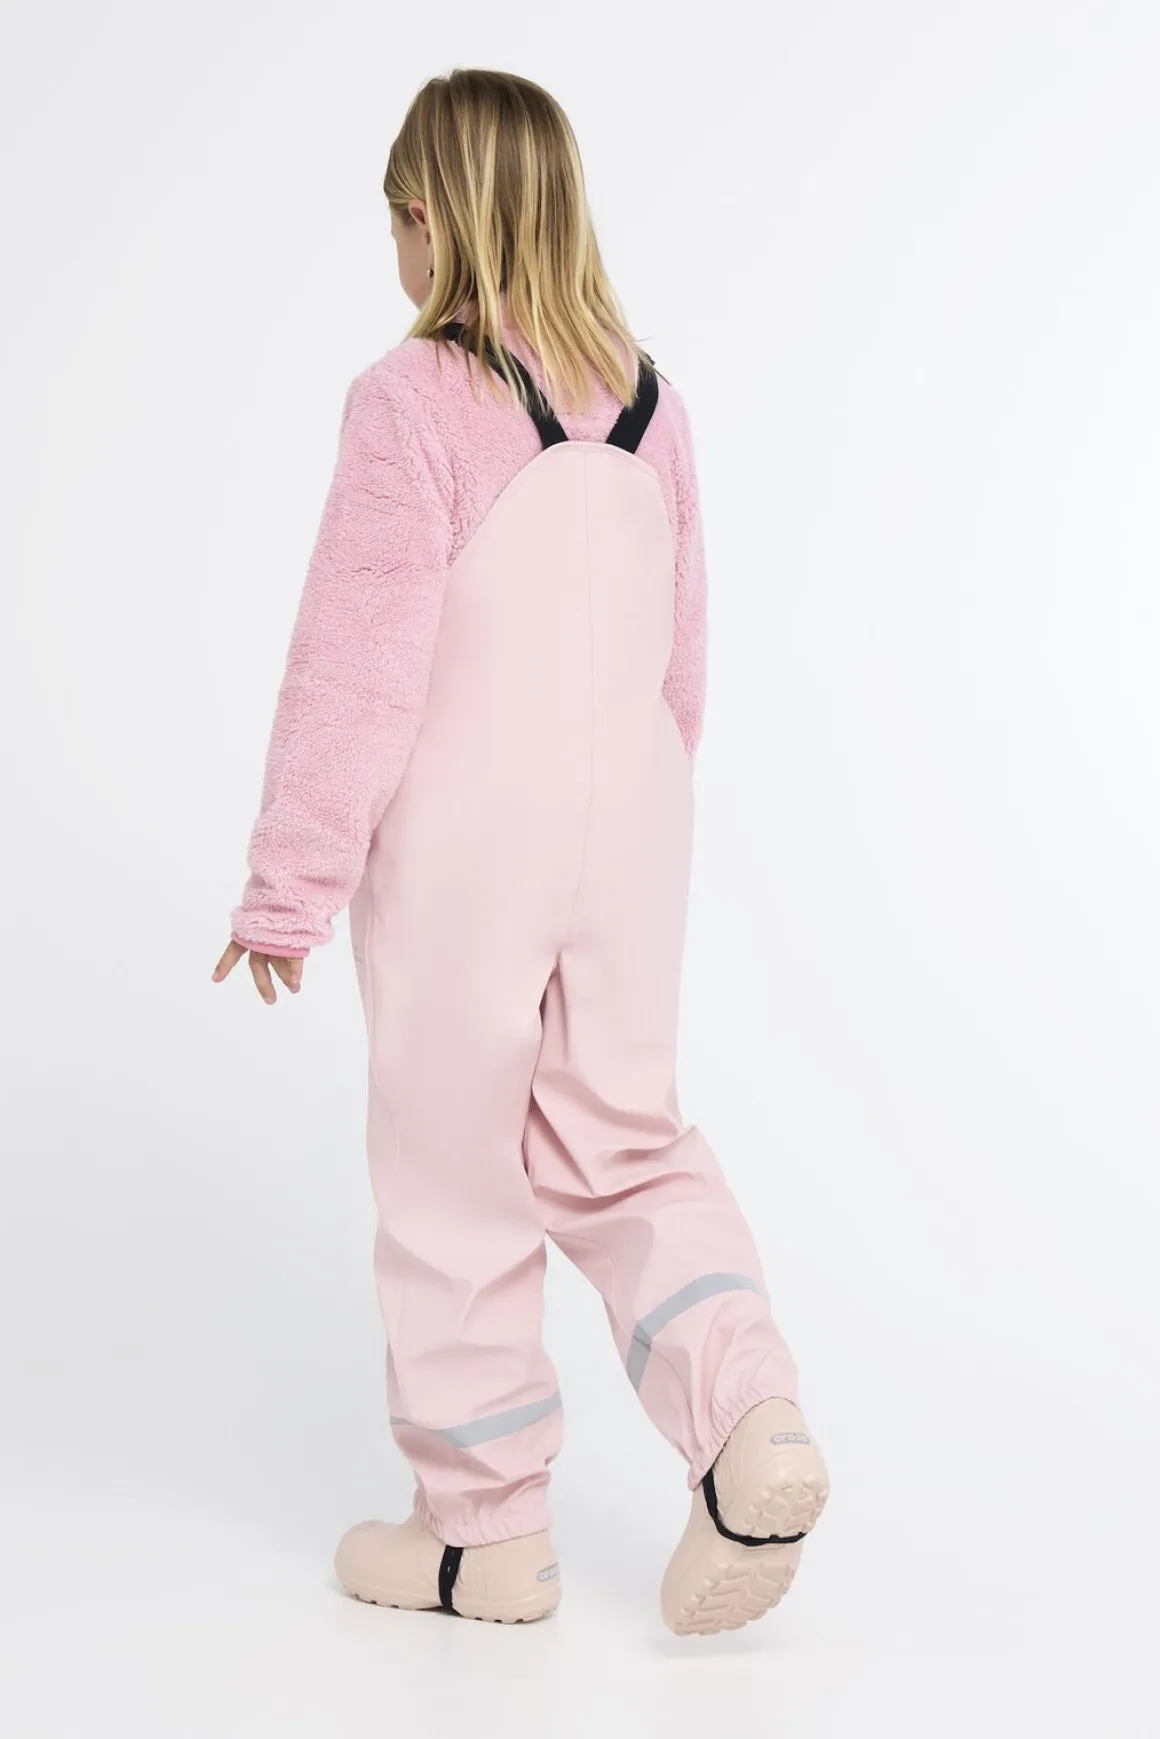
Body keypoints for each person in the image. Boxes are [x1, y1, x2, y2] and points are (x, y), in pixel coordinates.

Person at [213, 67, 828, 1635]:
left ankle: (483, 1531)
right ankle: (749, 1415)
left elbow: (355, 665)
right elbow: (685, 656)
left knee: (453, 1165)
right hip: (636, 829)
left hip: (465, 848)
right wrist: (641, 816)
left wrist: (291, 885)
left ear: (430, 216)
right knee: (625, 1138)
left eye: (396, 219)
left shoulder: (412, 400)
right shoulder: (651, 402)